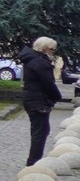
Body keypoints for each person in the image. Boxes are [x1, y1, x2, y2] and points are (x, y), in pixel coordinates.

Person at [19, 37, 61, 167]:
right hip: (38, 100)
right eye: (52, 49)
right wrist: (57, 96)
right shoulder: (40, 62)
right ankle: (33, 162)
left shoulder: (31, 59)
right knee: (40, 132)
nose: (53, 52)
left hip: (31, 98)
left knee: (41, 131)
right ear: (44, 49)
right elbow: (48, 83)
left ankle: (34, 160)